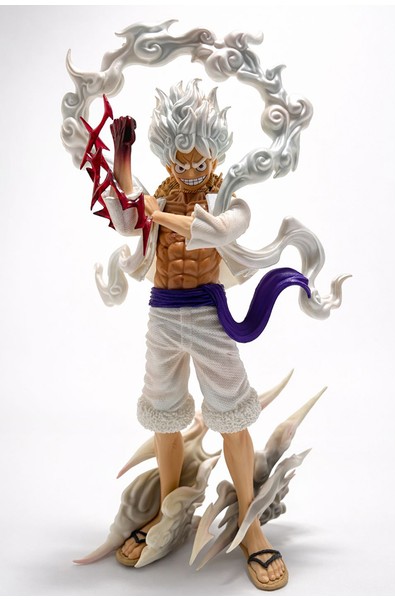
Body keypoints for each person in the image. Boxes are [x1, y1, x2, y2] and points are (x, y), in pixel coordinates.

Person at [104, 80, 288, 590]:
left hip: (208, 315)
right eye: (180, 162)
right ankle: (169, 512)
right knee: (162, 414)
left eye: (199, 161)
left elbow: (216, 230)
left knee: (232, 416)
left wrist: (157, 211)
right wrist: (122, 158)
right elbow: (127, 219)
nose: (190, 171)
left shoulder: (230, 199)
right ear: (168, 156)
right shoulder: (159, 193)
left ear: (216, 151)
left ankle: (250, 524)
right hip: (163, 315)